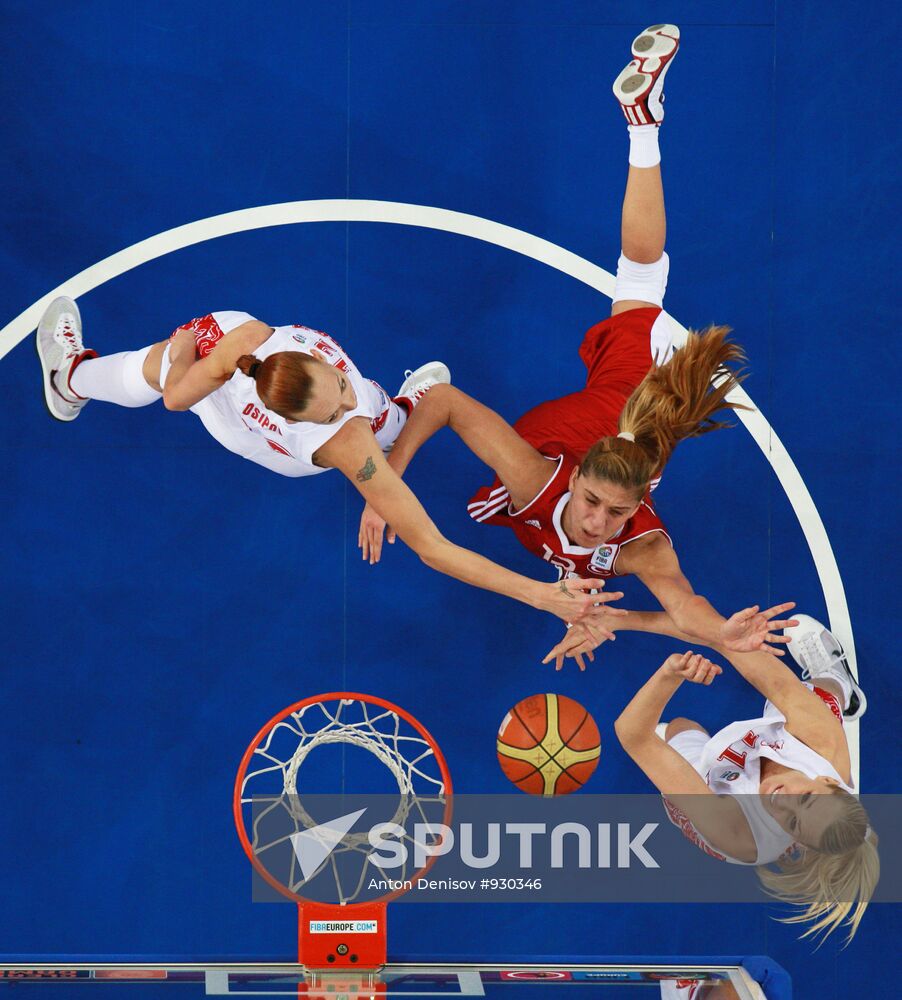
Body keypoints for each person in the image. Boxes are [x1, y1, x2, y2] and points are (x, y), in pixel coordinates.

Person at [357, 24, 789, 664]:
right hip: (640, 381)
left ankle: (646, 124)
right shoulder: (535, 479)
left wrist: (721, 632)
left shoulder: (638, 542)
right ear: (576, 474)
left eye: (614, 514)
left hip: (611, 411)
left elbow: (686, 608)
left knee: (637, 298)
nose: (596, 522)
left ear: (639, 505)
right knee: (641, 281)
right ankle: (644, 123)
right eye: (592, 502)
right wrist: (386, 486)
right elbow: (445, 400)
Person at [36, 301, 617, 627]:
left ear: (312, 361)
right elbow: (433, 547)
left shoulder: (244, 338)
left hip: (243, 383)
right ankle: (71, 379)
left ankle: (403, 408)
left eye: (338, 385)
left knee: (378, 409)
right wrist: (537, 594)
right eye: (335, 406)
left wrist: (191, 347)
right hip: (257, 439)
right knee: (155, 366)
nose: (345, 400)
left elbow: (343, 404)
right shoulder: (346, 444)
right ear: (308, 420)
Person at [614, 612, 876, 942]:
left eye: (793, 823)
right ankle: (840, 683)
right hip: (795, 745)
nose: (783, 800)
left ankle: (676, 747)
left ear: (795, 843)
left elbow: (631, 734)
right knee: (818, 698)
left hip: (718, 796)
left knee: (681, 727)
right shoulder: (823, 745)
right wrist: (622, 620)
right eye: (806, 799)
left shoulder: (735, 831)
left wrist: (669, 674)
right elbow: (729, 641)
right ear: (828, 781)